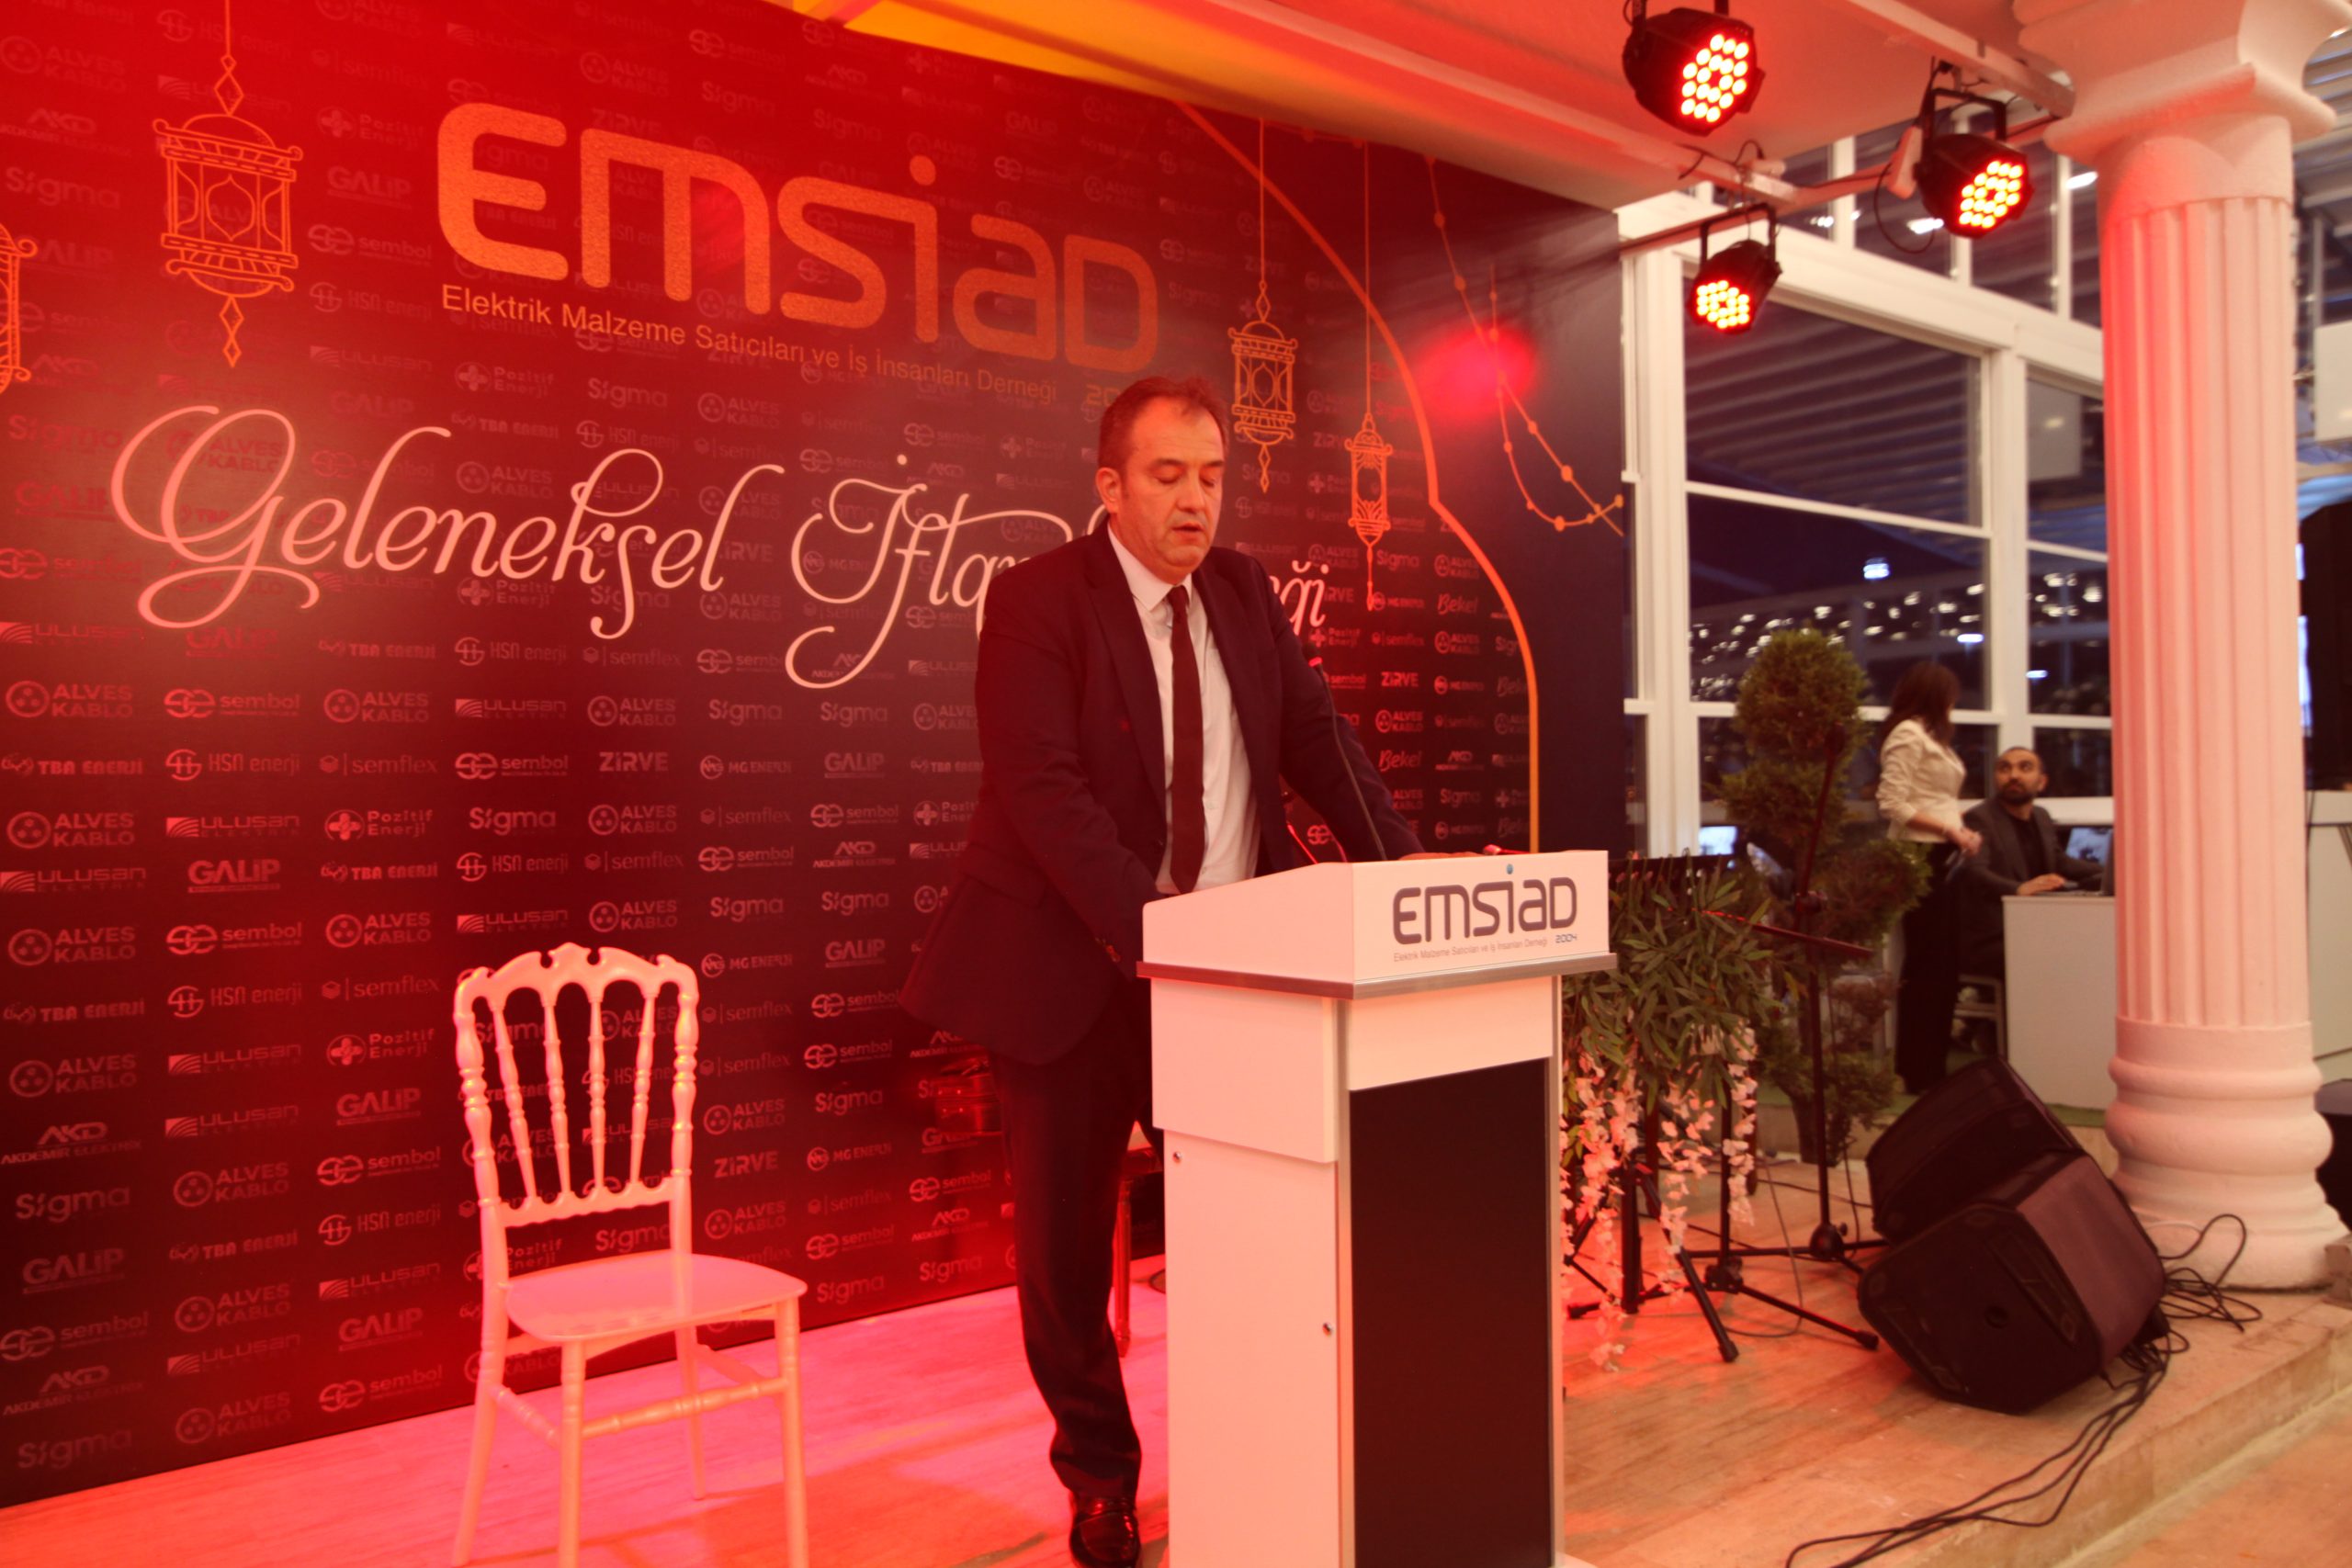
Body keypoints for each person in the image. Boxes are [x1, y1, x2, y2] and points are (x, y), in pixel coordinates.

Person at [899, 374, 1424, 1568]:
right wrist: (1164, 935)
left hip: (1232, 980)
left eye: (1212, 476)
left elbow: (1316, 740)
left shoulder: (1241, 590)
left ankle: (1260, 1452)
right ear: (1111, 485)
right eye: (1168, 475)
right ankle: (1100, 1480)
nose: (1196, 500)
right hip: (1072, 974)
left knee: (1258, 1226)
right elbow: (1043, 792)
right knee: (1067, 1256)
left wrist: (1402, 872)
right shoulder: (1037, 599)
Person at [1875, 661, 1982, 1094]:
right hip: (1919, 855)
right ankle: (1919, 1069)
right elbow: (1892, 802)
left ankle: (1931, 1064)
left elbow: (1937, 800)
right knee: (1927, 964)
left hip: (1940, 853)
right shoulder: (1908, 734)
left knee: (1943, 965)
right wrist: (1949, 830)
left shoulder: (1930, 737)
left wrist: (1960, 830)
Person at [1956, 746, 2104, 978]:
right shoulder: (1981, 817)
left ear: (2042, 782)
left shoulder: (2041, 816)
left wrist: (2112, 872)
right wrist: (2018, 889)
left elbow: (2060, 862)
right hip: (1996, 935)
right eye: (2005, 768)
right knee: (2065, 956)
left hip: (2037, 926)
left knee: (2092, 943)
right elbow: (1975, 872)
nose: (2013, 775)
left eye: (2024, 768)